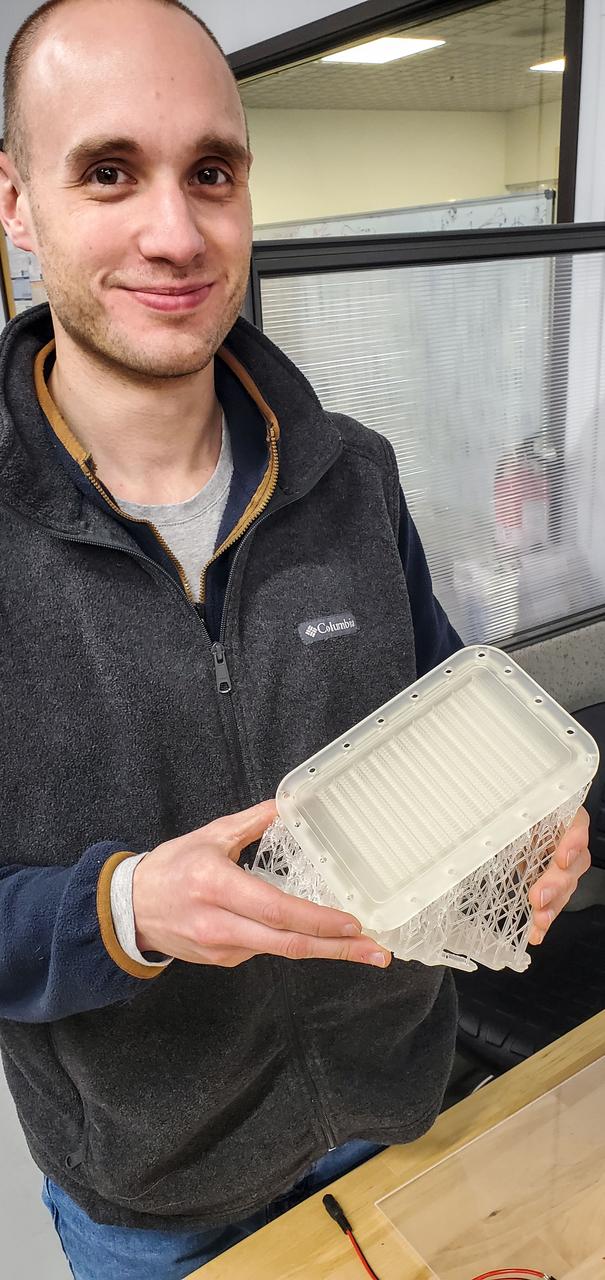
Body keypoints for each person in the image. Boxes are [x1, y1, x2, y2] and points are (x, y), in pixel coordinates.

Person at [0, 2, 590, 1277]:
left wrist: (529, 824)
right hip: (157, 1197)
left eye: (211, 171)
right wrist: (123, 907)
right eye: (109, 171)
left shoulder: (351, 475)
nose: (176, 231)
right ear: (15, 203)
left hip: (400, 1105)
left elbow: (453, 726)